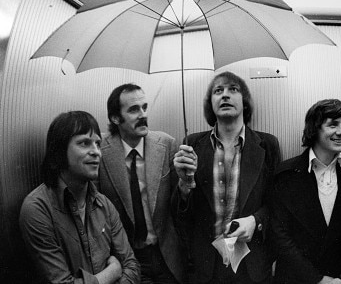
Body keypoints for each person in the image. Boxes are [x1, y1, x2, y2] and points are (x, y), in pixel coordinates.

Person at [172, 71, 281, 283]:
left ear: (245, 101)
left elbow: (277, 204)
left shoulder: (267, 145)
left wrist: (255, 221)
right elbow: (180, 216)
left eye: (233, 89)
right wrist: (184, 185)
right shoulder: (191, 145)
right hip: (206, 267)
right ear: (210, 103)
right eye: (218, 91)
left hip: (252, 266)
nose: (225, 95)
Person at [19, 111, 140, 284]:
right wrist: (113, 272)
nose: (96, 152)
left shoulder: (104, 205)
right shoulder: (38, 209)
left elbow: (132, 266)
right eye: (84, 143)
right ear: (59, 152)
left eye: (98, 144)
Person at [271, 99, 341, 284]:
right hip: (298, 279)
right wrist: (316, 279)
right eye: (333, 125)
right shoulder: (286, 174)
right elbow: (279, 234)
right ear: (314, 129)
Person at [98, 83, 188, 283]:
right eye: (133, 110)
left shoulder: (166, 144)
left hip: (168, 255)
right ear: (115, 117)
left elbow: (181, 205)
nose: (142, 114)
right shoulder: (100, 152)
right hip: (129, 260)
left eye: (144, 107)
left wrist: (186, 182)